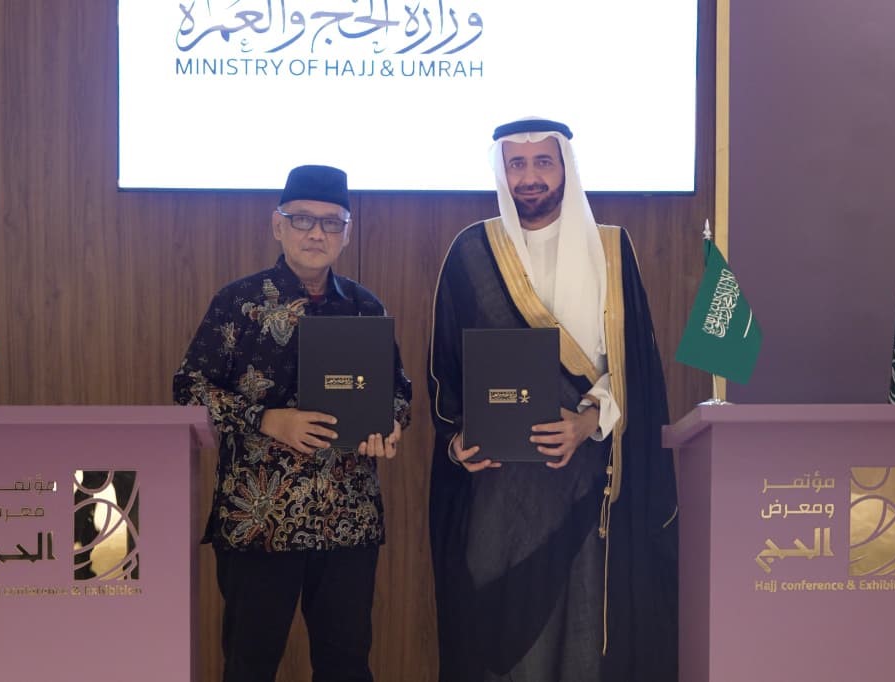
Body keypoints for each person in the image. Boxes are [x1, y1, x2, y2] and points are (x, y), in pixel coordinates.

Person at [427, 119, 678, 681]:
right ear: (502, 171)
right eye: (517, 164)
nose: (530, 177)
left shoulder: (610, 249)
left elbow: (632, 367)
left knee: (581, 633)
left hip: (583, 478)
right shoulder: (472, 251)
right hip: (497, 488)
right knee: (497, 633)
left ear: (566, 166)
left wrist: (587, 421)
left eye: (544, 161)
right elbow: (446, 372)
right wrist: (458, 440)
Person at [173, 164, 411, 682]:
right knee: (250, 665)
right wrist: (267, 420)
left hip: (347, 518)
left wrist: (390, 425)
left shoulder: (365, 306)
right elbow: (189, 388)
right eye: (302, 219)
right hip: (260, 521)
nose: (316, 233)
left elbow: (399, 391)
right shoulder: (239, 303)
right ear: (277, 225)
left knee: (347, 665)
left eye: (331, 222)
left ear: (347, 233)